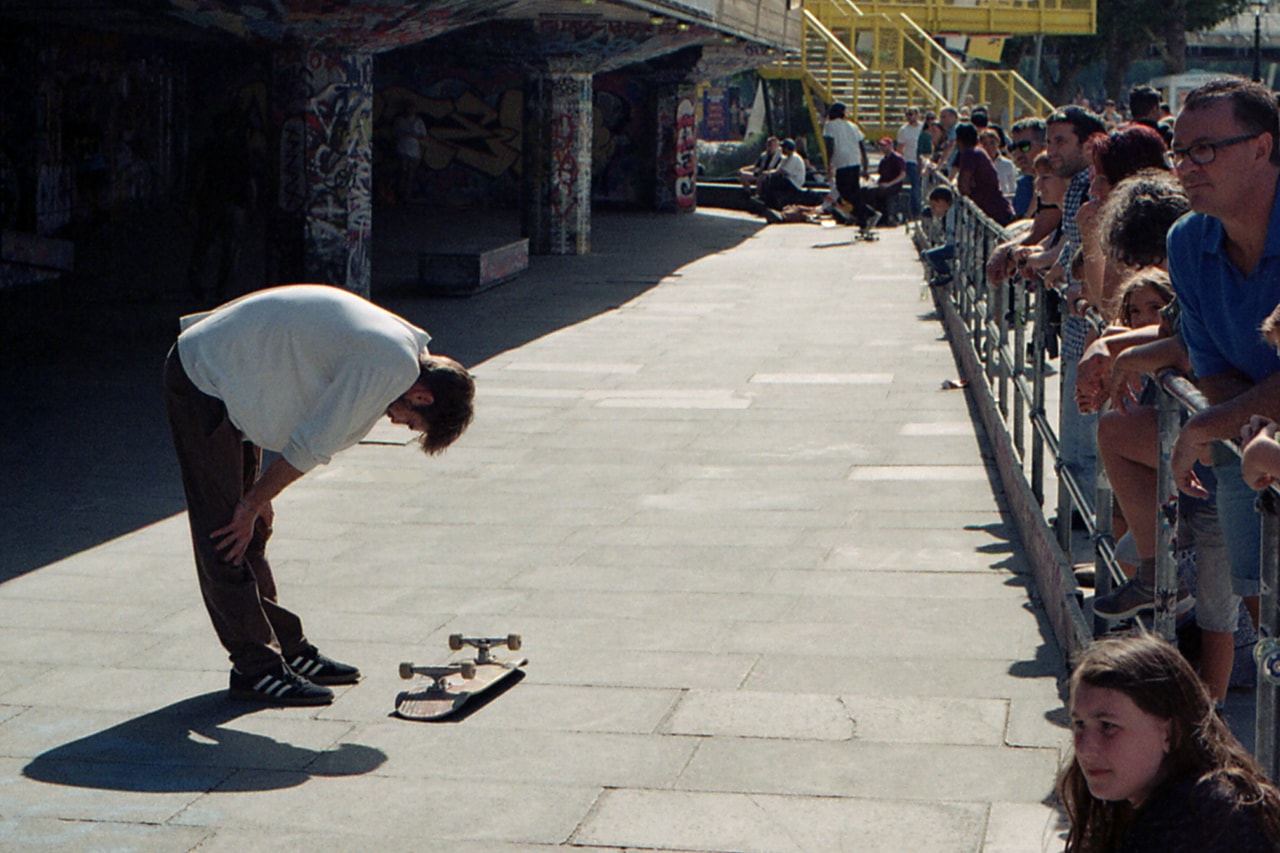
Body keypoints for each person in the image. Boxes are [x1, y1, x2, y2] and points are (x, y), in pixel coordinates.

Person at [164, 284, 476, 705]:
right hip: (205, 378)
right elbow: (311, 444)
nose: (397, 422)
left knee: (249, 530)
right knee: (226, 533)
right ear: (422, 396)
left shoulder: (403, 349)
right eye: (409, 422)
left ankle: (286, 647)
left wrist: (256, 498)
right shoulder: (387, 369)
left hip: (234, 379)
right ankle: (256, 667)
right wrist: (251, 501)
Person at [1168, 78, 1280, 632]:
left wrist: (1213, 423)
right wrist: (1240, 423)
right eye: (1180, 151)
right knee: (1270, 636)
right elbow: (1211, 369)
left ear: (1262, 147)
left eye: (1205, 149)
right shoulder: (1186, 242)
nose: (1186, 166)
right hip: (1250, 445)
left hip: (1247, 433)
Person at [1058, 633, 1280, 852]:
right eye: (1080, 724)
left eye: (1108, 726)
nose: (1085, 748)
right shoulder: (1162, 801)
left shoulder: (1198, 816)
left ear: (1170, 733)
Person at [823, 102, 876, 230]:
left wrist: (829, 163)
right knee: (855, 191)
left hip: (841, 161)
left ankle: (869, 213)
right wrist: (865, 164)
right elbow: (862, 146)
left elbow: (829, 145)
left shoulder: (829, 125)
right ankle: (863, 220)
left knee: (844, 191)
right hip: (855, 159)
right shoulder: (853, 126)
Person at [953, 122, 1014, 225]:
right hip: (997, 210)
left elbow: (963, 186)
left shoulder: (970, 154)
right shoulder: (978, 153)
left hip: (994, 214)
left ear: (959, 141)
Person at [1009, 118, 1048, 219]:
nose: (1017, 154)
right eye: (1013, 149)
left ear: (1045, 146)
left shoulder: (1062, 184)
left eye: (1024, 146)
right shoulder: (1024, 184)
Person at [758, 138, 809, 215]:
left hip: (795, 184)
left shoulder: (794, 158)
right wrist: (767, 173)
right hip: (787, 180)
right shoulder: (785, 158)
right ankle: (765, 201)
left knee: (775, 180)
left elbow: (782, 171)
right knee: (770, 179)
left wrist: (768, 173)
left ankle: (768, 202)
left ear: (787, 149)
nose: (781, 149)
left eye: (783, 148)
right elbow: (777, 170)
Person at [920, 185, 956, 286]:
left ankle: (945, 274)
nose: (933, 209)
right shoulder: (947, 214)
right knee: (925, 254)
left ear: (941, 202)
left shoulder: (953, 214)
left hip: (957, 245)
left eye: (934, 206)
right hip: (950, 243)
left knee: (930, 255)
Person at [866, 137, 907, 223]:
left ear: (891, 145)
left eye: (885, 145)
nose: (883, 148)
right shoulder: (883, 160)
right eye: (881, 146)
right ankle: (875, 216)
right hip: (884, 185)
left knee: (877, 192)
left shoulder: (898, 158)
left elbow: (902, 175)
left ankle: (888, 217)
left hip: (894, 186)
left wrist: (889, 184)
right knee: (867, 191)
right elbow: (881, 176)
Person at [393, 100, 427, 204]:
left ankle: (407, 195)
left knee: (411, 173)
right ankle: (400, 193)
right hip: (402, 149)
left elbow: (423, 135)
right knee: (402, 171)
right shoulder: (399, 120)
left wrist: (415, 136)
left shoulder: (418, 121)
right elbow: (394, 133)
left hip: (414, 151)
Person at [895, 107, 923, 220]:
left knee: (922, 187)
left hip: (922, 161)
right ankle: (915, 212)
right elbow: (900, 147)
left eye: (911, 114)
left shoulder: (923, 127)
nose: (909, 116)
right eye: (907, 114)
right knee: (915, 187)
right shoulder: (903, 130)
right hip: (910, 161)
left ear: (917, 114)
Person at [979, 128, 1018, 205]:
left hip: (1004, 203)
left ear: (998, 143)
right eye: (985, 144)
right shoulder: (977, 164)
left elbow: (1013, 187)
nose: (989, 147)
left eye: (992, 143)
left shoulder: (1007, 164)